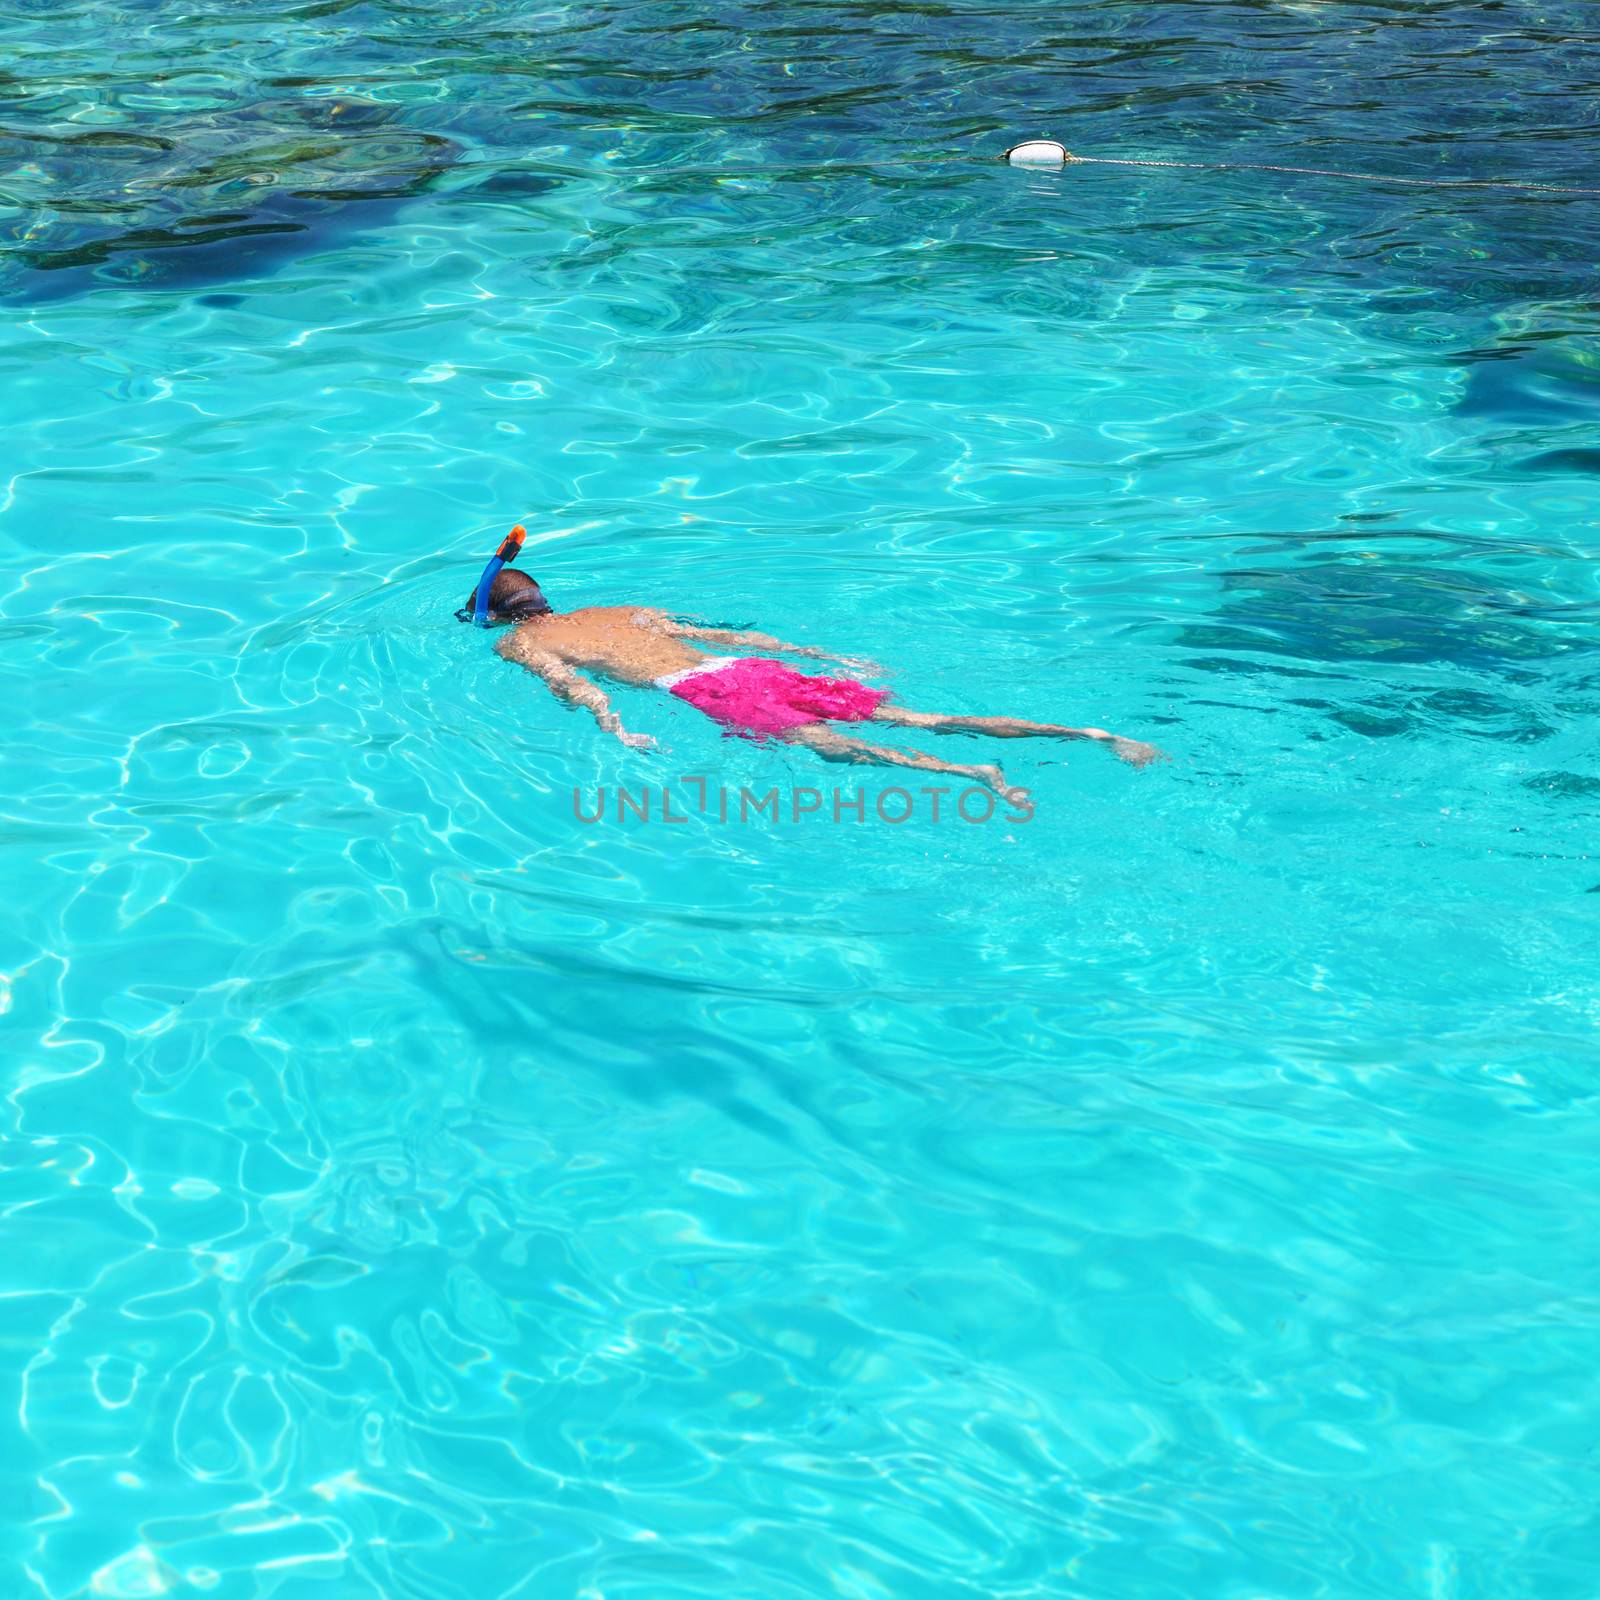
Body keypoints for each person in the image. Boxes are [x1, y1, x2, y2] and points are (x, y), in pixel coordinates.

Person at [466, 566, 1164, 795]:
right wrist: (828, 657)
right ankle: (1093, 732)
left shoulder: (520, 644)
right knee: (912, 715)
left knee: (831, 747)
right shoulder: (622, 607)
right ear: (544, 592)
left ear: (497, 618)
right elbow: (740, 638)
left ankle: (974, 774)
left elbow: (574, 688)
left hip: (709, 691)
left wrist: (615, 728)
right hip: (749, 669)